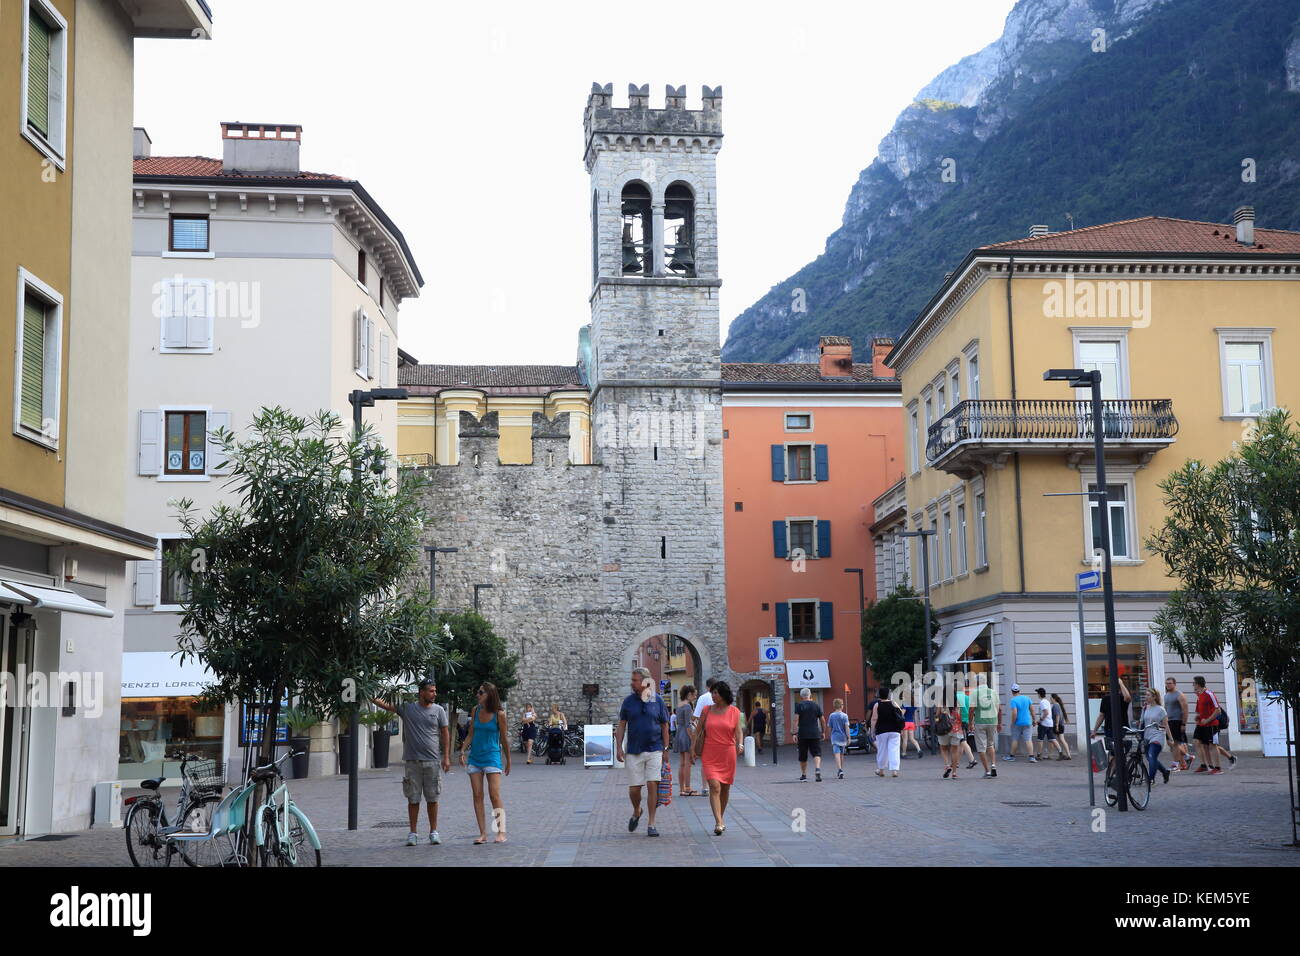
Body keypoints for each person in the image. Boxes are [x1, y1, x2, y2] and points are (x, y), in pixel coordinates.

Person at [372, 678, 450, 847]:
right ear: (422, 692)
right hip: (412, 762)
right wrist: (369, 695)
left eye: (435, 691)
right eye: (431, 691)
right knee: (413, 799)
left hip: (432, 761)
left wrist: (446, 757)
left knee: (432, 798)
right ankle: (413, 833)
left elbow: (445, 733)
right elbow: (386, 705)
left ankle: (434, 831)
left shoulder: (439, 710)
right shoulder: (408, 708)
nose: (434, 694)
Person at [616, 666, 671, 837]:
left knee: (652, 784)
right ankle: (637, 810)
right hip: (634, 750)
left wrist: (666, 748)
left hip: (655, 749)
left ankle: (651, 823)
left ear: (645, 682)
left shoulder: (658, 701)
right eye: (632, 680)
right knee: (634, 789)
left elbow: (665, 726)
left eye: (635, 680)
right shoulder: (628, 702)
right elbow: (622, 725)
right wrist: (619, 747)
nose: (632, 683)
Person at [459, 682, 511, 844]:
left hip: (492, 757)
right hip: (475, 758)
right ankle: (482, 834)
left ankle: (501, 832)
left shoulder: (499, 714)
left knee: (494, 795)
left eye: (481, 692)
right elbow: (471, 734)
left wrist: (508, 760)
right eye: (478, 692)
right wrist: (462, 750)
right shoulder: (475, 710)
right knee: (477, 795)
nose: (478, 695)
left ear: (490, 695)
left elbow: (504, 739)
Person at [694, 680, 743, 835]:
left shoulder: (734, 711)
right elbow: (698, 731)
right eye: (712, 693)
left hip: (728, 753)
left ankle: (720, 818)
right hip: (709, 752)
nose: (713, 695)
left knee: (725, 788)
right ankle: (718, 822)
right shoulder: (707, 710)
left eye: (715, 693)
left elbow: (738, 731)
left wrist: (740, 743)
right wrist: (692, 749)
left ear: (723, 694)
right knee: (715, 786)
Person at [1191, 676, 1224, 775]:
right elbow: (1200, 711)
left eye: (1194, 683)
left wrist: (1207, 720)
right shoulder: (1199, 695)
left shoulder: (1209, 694)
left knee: (1212, 745)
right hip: (1201, 724)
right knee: (1197, 742)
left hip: (1211, 724)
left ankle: (1218, 768)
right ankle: (1206, 765)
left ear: (1198, 684)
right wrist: (1198, 717)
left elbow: (1218, 710)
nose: (1193, 685)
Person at [1139, 687, 1172, 784]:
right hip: (1147, 737)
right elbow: (1142, 722)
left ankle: (1151, 779)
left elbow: (1166, 725)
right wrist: (1139, 732)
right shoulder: (1145, 708)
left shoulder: (1161, 709)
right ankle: (1165, 772)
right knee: (1150, 758)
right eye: (1145, 695)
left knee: (1151, 756)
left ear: (1154, 697)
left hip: (1157, 736)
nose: (1146, 697)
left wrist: (1170, 738)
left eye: (1148, 695)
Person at [791, 688, 825, 782]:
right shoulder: (816, 705)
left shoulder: (799, 706)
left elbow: (796, 720)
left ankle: (804, 775)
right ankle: (817, 769)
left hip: (803, 734)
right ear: (810, 695)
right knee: (816, 753)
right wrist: (823, 732)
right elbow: (822, 720)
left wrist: (794, 733)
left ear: (801, 696)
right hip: (815, 733)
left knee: (803, 755)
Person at [971, 673, 1001, 778]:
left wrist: (970, 722)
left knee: (981, 748)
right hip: (992, 721)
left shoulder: (975, 692)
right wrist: (998, 722)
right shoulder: (993, 692)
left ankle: (987, 771)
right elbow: (999, 708)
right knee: (990, 744)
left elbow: (971, 709)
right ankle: (993, 765)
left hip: (980, 721)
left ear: (977, 682)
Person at [673, 685, 700, 796]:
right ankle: (688, 788)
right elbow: (688, 725)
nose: (695, 697)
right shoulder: (688, 706)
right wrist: (692, 738)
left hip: (679, 733)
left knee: (682, 763)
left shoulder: (679, 705)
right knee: (687, 763)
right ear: (689, 694)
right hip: (685, 734)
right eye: (694, 695)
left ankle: (682, 789)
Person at [870, 690, 905, 777]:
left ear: (879, 695)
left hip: (882, 731)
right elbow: (901, 714)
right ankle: (894, 771)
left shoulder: (877, 705)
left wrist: (872, 731)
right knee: (894, 750)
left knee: (882, 750)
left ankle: (881, 770)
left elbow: (874, 719)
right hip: (895, 730)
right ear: (888, 695)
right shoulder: (894, 703)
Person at [1163, 678, 1189, 771]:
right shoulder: (1166, 695)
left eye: (1170, 683)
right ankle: (1186, 757)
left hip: (1177, 721)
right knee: (1171, 743)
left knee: (1175, 743)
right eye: (1167, 683)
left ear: (1174, 684)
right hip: (1169, 722)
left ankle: (1176, 764)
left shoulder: (1179, 695)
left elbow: (1185, 710)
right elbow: (1165, 709)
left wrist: (1183, 724)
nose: (1168, 685)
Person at [1006, 684, 1035, 762]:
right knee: (1028, 739)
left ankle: (1012, 756)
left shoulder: (1013, 700)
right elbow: (1032, 710)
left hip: (1018, 723)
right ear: (1019, 690)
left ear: (1012, 691)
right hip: (1027, 722)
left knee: (1015, 739)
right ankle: (1032, 757)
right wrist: (1034, 720)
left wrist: (1012, 722)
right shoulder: (1027, 698)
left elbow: (1014, 713)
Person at [936, 701, 965, 778]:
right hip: (956, 729)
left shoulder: (941, 703)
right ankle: (954, 773)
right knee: (954, 751)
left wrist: (937, 722)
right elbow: (960, 716)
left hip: (944, 728)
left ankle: (947, 765)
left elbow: (937, 715)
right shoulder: (958, 703)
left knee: (943, 748)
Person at [956, 680, 978, 769]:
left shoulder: (955, 697)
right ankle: (956, 762)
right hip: (967, 721)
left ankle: (972, 760)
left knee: (962, 741)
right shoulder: (967, 697)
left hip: (959, 722)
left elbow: (956, 710)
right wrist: (971, 723)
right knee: (961, 742)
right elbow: (971, 710)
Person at [1034, 687, 1061, 760]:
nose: (1037, 695)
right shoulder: (1047, 701)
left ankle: (1039, 755)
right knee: (1052, 739)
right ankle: (1061, 752)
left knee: (1040, 739)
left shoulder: (1042, 702)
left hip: (1044, 724)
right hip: (1050, 723)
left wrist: (1039, 721)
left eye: (1037, 693)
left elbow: (1046, 712)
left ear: (1039, 694)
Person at [828, 699, 850, 779]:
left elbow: (829, 727)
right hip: (842, 737)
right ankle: (841, 769)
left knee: (836, 753)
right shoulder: (845, 716)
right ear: (841, 706)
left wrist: (829, 736)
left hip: (834, 737)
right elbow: (847, 727)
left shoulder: (831, 715)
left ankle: (839, 769)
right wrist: (849, 737)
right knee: (841, 754)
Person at [1050, 693, 1072, 759]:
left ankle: (1058, 754)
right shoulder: (1058, 705)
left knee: (1053, 739)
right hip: (1061, 725)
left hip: (1058, 725)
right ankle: (1068, 755)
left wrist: (1056, 725)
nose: (1050, 699)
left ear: (1054, 699)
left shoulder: (1055, 705)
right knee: (1060, 740)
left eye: (1051, 698)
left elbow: (1057, 715)